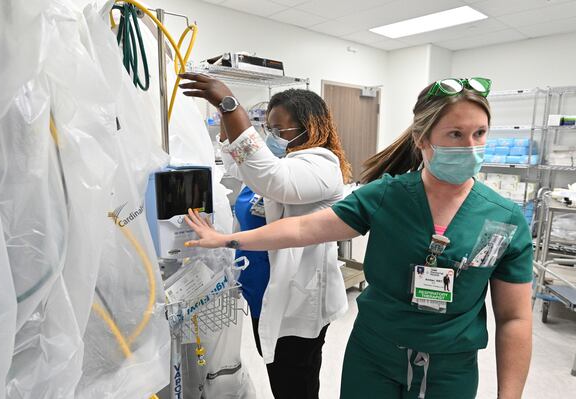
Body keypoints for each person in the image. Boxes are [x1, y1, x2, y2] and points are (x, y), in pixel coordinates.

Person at [182, 77, 534, 399]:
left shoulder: (504, 219)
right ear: (422, 138)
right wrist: (228, 240)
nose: (470, 147)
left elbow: (514, 318)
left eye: (480, 134)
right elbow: (305, 229)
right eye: (455, 134)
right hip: (375, 358)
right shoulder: (387, 196)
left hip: (451, 368)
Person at [179, 73, 352, 399]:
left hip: (297, 302)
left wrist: (230, 105)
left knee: (294, 384)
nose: (271, 136)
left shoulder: (322, 166)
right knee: (279, 374)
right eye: (267, 129)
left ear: (309, 127)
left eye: (278, 129)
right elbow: (239, 163)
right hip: (262, 295)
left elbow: (272, 179)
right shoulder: (282, 161)